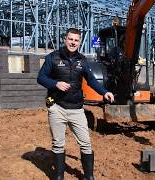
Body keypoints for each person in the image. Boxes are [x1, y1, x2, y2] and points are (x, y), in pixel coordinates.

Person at [37, 28, 114, 180]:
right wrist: (55, 84)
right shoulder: (52, 58)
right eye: (70, 39)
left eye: (76, 40)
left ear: (79, 42)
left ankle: (89, 176)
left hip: (77, 110)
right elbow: (41, 78)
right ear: (65, 39)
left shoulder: (82, 61)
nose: (73, 42)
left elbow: (91, 80)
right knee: (58, 144)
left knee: (86, 144)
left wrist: (104, 92)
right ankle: (59, 176)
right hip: (57, 107)